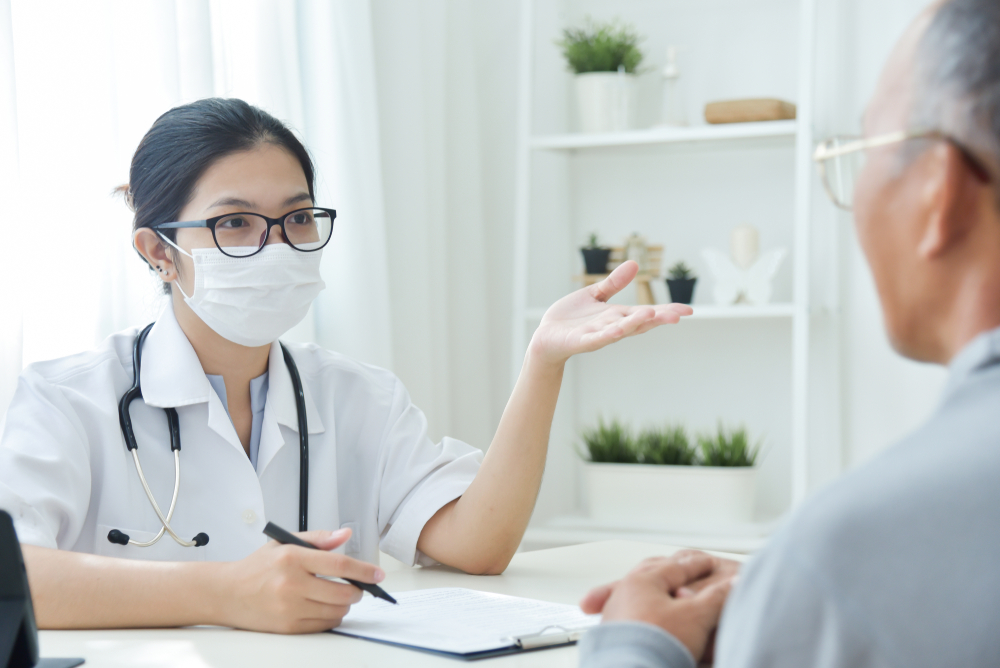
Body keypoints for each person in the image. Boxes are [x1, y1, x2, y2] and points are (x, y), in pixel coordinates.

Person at [0, 98, 691, 634]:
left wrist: (543, 362)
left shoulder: (355, 395)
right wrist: (226, 593)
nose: (275, 245)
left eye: (297, 219)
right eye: (234, 222)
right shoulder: (69, 400)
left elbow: (475, 544)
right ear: (156, 250)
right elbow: (13, 577)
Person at [578, 0, 1000, 665]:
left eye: (860, 153)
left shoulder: (850, 549)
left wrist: (636, 643)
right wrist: (792, 591)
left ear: (937, 193)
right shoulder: (848, 563)